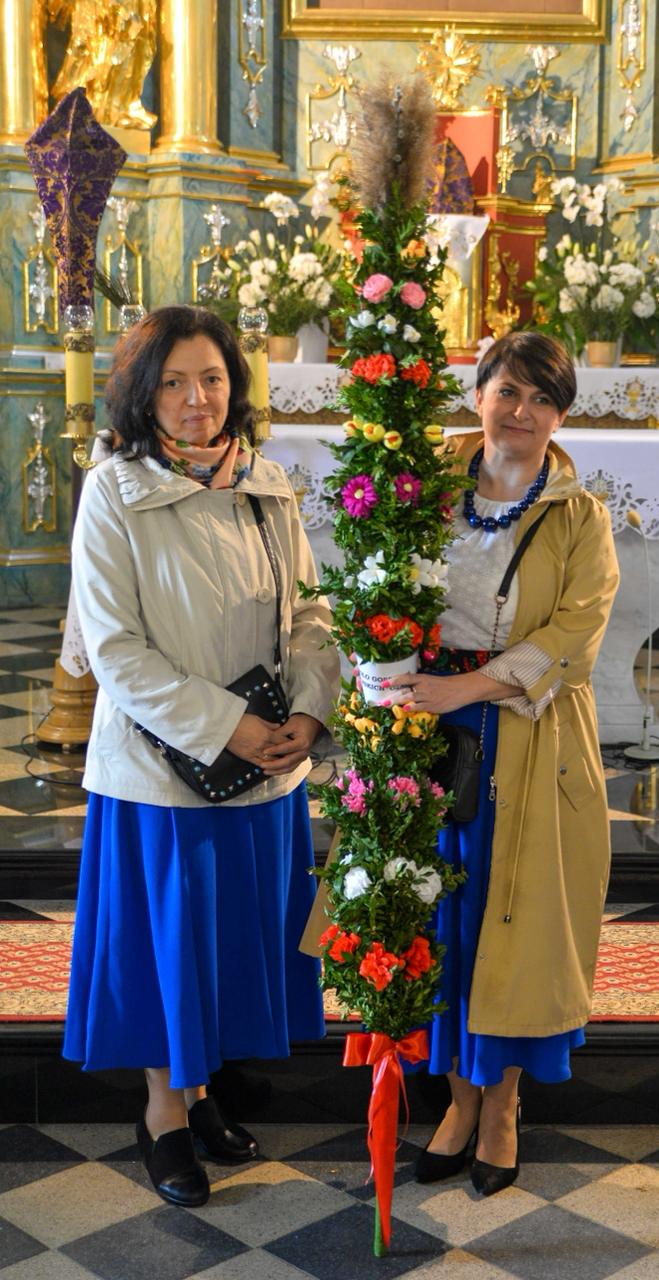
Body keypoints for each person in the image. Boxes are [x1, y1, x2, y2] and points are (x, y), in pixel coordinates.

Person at [63, 306, 340, 1208]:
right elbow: (116, 651)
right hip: (160, 769)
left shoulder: (266, 484)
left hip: (263, 764)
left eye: (213, 379)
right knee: (168, 946)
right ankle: (163, 1114)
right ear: (145, 393)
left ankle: (204, 1089)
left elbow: (310, 613)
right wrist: (227, 726)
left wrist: (308, 712)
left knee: (227, 940)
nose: (197, 399)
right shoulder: (115, 491)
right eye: (176, 382)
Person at [390, 330, 619, 1196]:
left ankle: (502, 1109)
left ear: (560, 415)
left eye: (542, 399)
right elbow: (382, 588)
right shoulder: (424, 489)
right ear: (478, 394)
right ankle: (456, 1101)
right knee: (440, 919)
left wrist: (469, 687)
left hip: (529, 736)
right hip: (430, 737)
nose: (521, 411)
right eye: (508, 391)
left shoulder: (580, 516)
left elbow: (575, 639)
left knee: (515, 924)